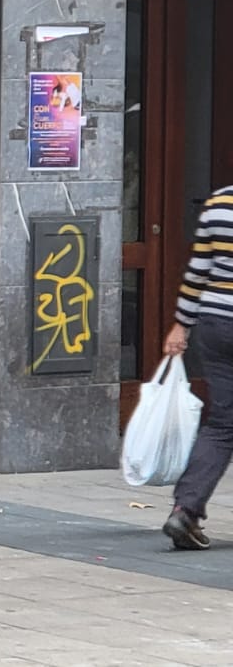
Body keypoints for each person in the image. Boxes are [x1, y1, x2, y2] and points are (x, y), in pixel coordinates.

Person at [162, 185, 233, 550]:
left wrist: (180, 325)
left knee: (222, 424)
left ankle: (185, 510)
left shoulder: (219, 203)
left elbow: (197, 274)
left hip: (217, 324)